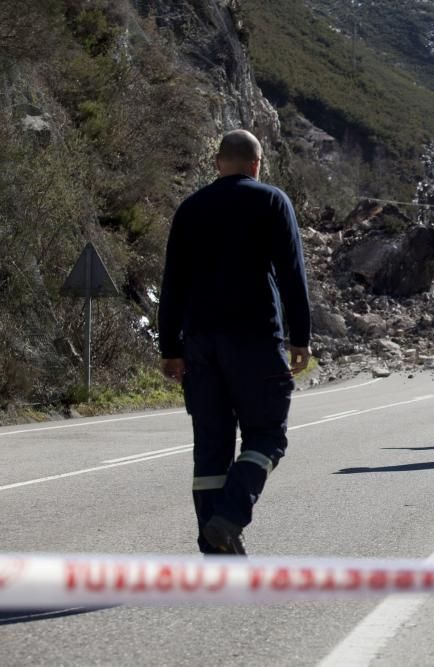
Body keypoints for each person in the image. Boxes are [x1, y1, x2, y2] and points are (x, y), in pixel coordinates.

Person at [158, 129, 311, 555]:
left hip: (201, 344)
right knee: (266, 437)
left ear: (217, 162)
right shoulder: (271, 201)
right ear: (257, 164)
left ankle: (215, 541)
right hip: (257, 340)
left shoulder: (190, 209)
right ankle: (229, 518)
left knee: (212, 445)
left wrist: (169, 347)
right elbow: (292, 274)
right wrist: (301, 338)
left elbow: (173, 283)